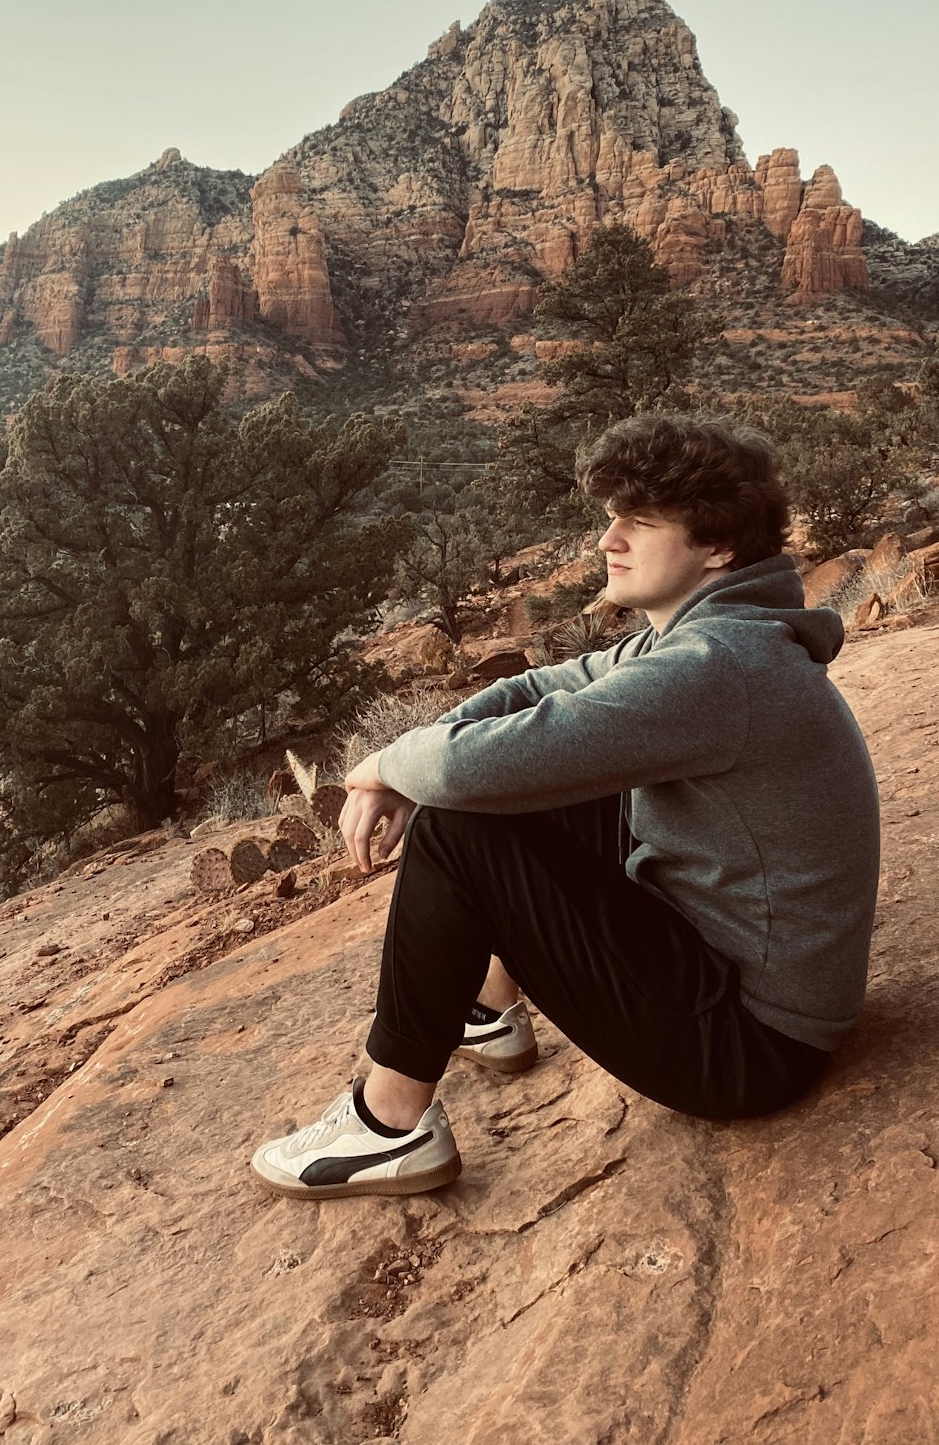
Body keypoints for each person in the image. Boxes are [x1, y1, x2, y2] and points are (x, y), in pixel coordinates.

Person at [250, 415, 881, 1200]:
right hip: (734, 973)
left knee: (459, 825)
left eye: (640, 523)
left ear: (718, 547)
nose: (607, 541)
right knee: (536, 781)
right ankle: (486, 1007)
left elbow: (471, 768)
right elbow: (537, 692)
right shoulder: (704, 634)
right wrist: (425, 747)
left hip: (751, 1045)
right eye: (611, 518)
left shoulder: (719, 667)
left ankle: (386, 1127)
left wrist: (382, 764)